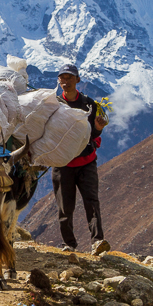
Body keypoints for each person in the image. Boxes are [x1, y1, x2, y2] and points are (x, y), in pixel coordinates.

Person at [52, 64, 111, 256]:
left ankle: (97, 242)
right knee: (64, 207)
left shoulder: (89, 105)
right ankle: (69, 244)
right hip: (63, 165)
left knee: (92, 202)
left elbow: (91, 135)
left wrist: (99, 128)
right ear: (59, 81)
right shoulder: (53, 105)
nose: (65, 81)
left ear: (78, 80)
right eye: (62, 78)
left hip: (86, 162)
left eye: (69, 78)